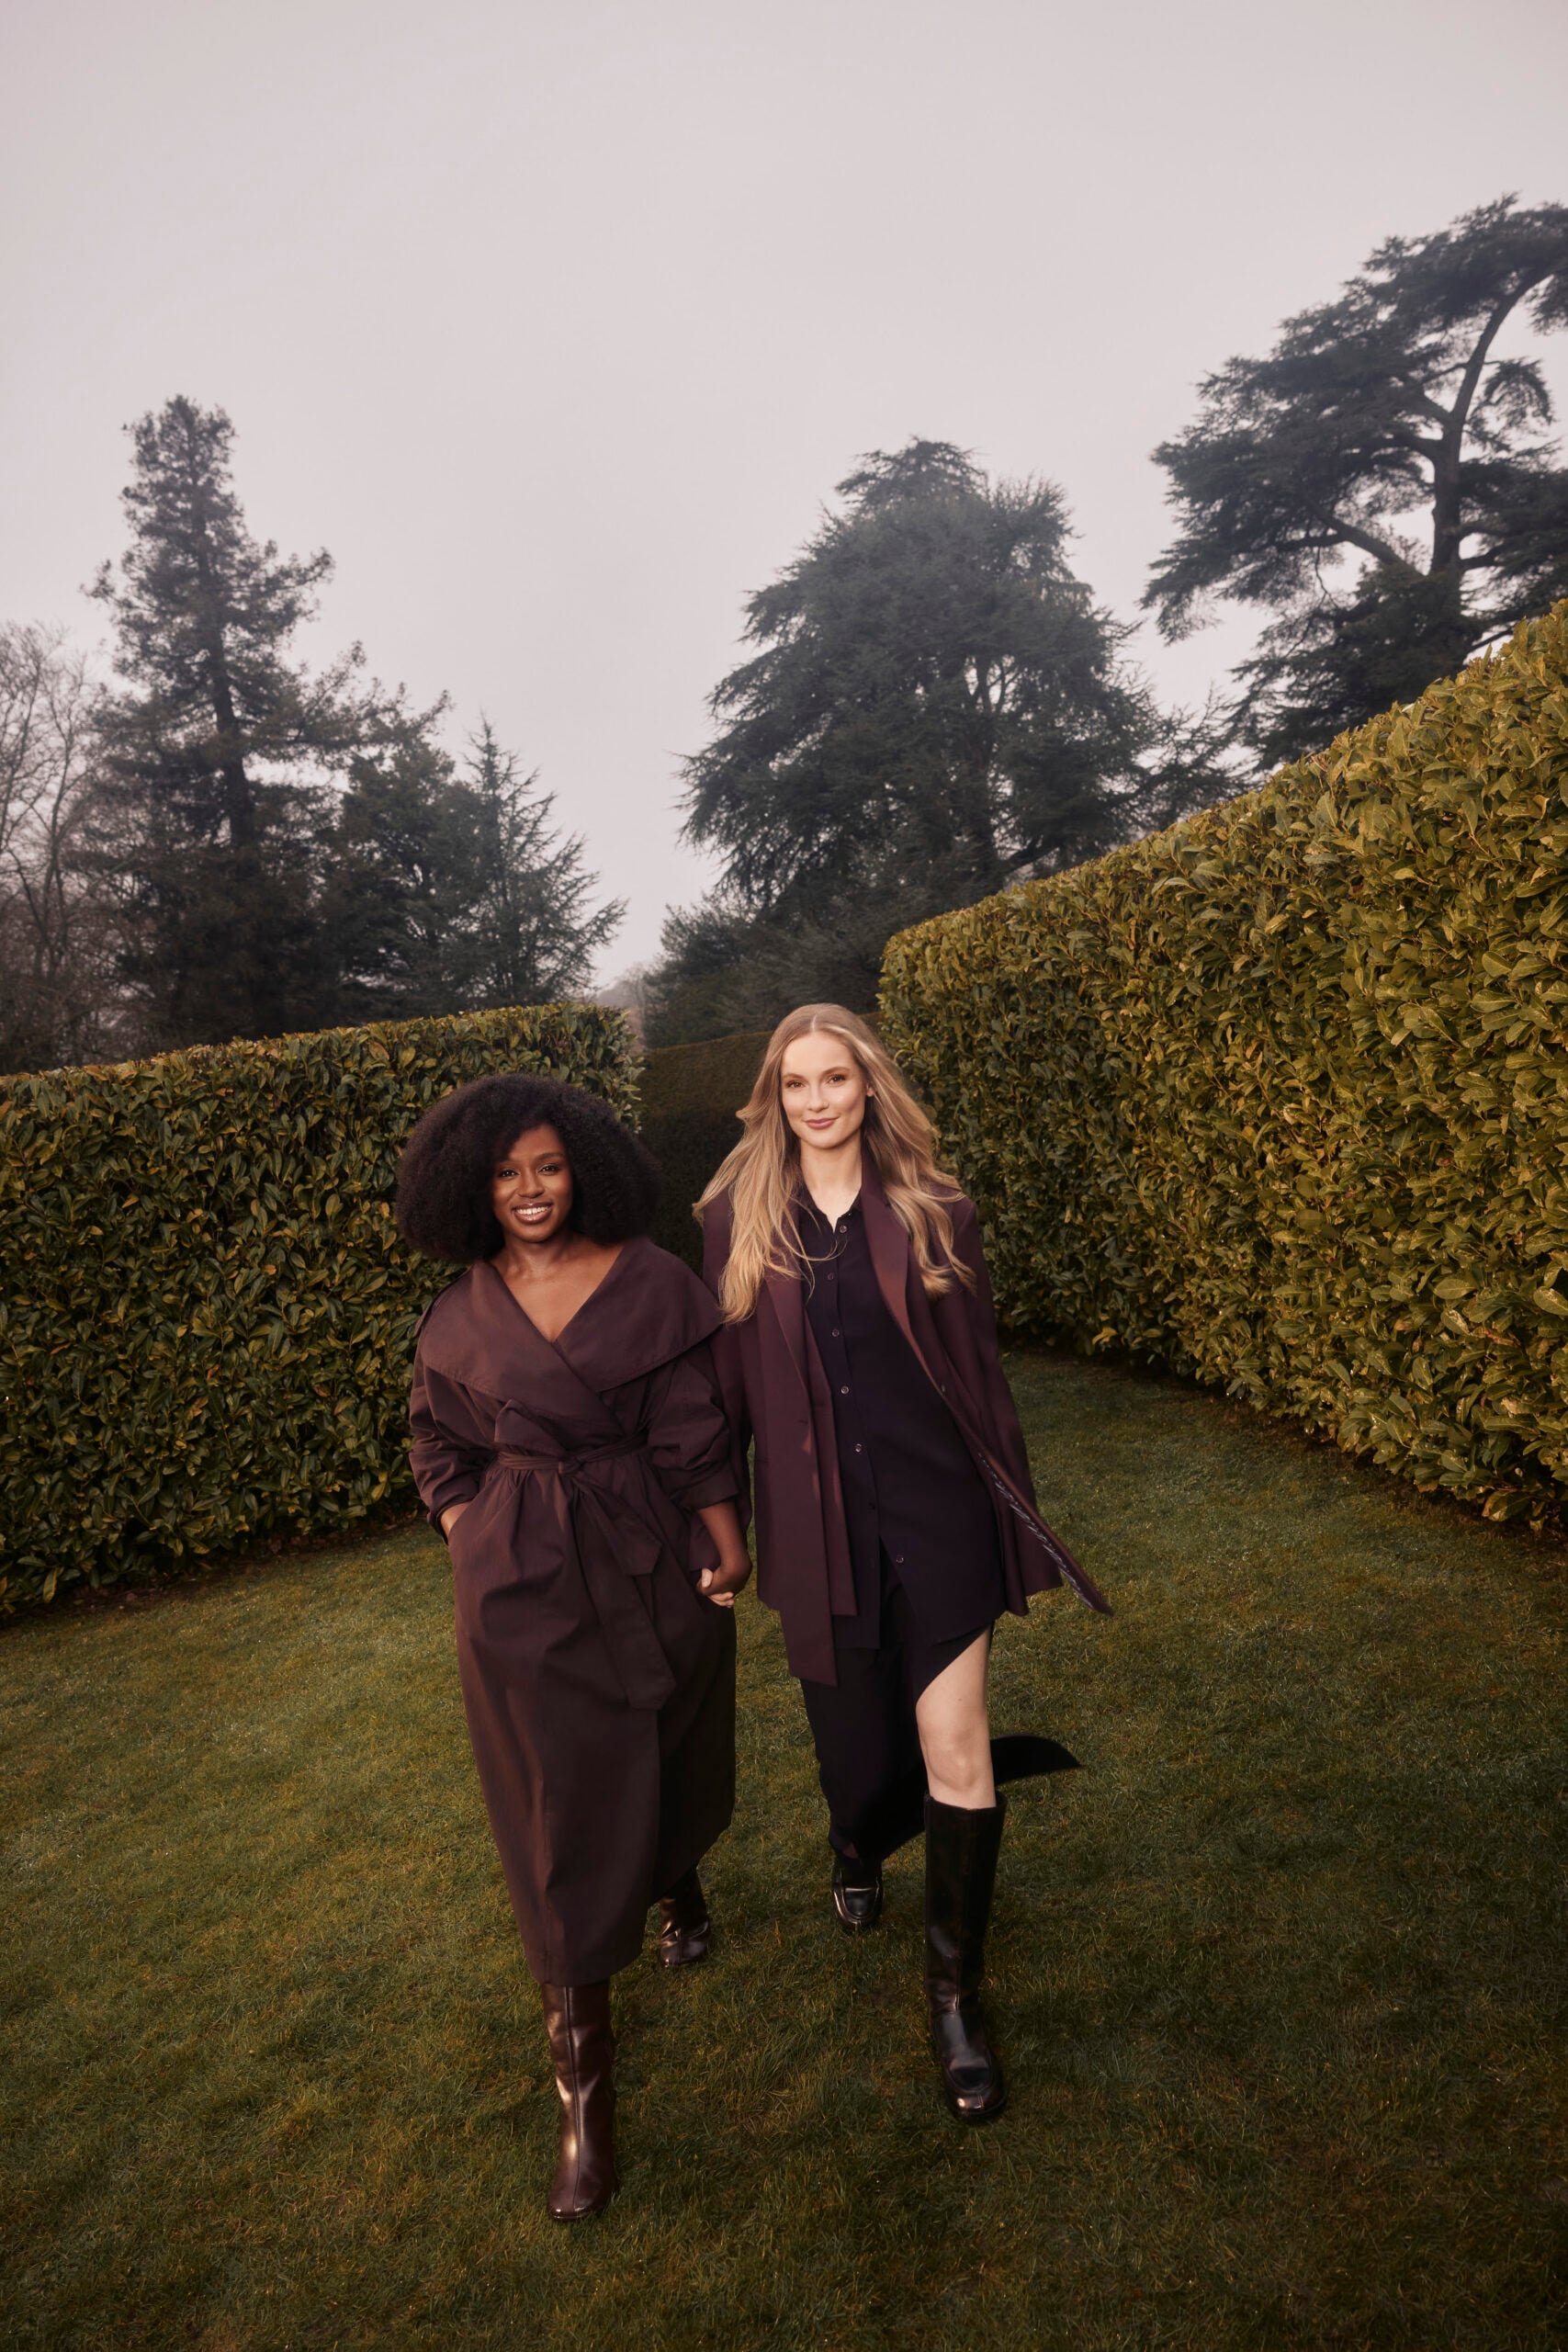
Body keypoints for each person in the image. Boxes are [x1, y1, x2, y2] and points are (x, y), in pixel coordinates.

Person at [698, 1005, 1110, 2124]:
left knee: (956, 1748)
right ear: (775, 1097)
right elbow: (726, 1393)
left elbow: (981, 1379)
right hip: (815, 1530)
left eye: (835, 1078)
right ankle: (857, 1838)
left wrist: (1012, 1520)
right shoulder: (735, 1220)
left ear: (869, 1086)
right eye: (796, 1084)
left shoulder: (936, 1212)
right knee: (862, 1766)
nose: (817, 1100)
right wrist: (715, 1524)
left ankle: (955, 2001)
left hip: (937, 1520)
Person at [397, 1074, 750, 2222]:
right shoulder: (459, 1313)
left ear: (583, 1169)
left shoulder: (650, 1281)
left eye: (547, 1166)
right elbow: (435, 1442)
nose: (530, 1189)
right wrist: (468, 1528)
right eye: (506, 1173)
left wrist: (725, 1534)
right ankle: (584, 2111)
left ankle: (677, 1885)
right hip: (520, 1583)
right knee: (553, 1805)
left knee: (667, 1731)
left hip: (643, 1548)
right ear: (474, 1187)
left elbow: (693, 1425)